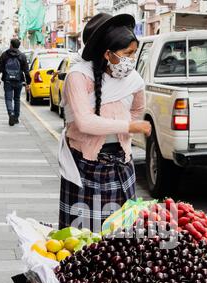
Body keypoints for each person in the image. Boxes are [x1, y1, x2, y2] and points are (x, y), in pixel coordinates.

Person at [58, 13, 151, 233]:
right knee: (81, 238)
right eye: (127, 53)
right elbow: (84, 123)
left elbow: (138, 109)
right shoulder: (78, 77)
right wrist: (128, 126)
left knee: (121, 239)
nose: (131, 59)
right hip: (85, 166)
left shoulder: (133, 80)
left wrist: (129, 125)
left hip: (121, 164)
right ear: (107, 53)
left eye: (134, 53)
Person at [0, 38, 31, 126]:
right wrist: (28, 82)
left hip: (7, 80)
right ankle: (16, 118)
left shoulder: (5, 55)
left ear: (11, 45)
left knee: (8, 99)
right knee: (17, 99)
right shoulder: (22, 56)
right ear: (18, 46)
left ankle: (11, 113)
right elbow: (26, 70)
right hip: (18, 81)